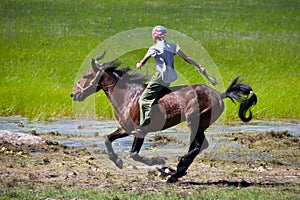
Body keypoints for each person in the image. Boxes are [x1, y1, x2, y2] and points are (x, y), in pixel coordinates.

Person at [132, 25, 209, 138]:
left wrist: (138, 64)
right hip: (169, 78)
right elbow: (186, 58)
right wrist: (199, 67)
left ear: (154, 35)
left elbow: (143, 62)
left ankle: (143, 126)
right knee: (158, 96)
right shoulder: (172, 47)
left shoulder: (154, 48)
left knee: (144, 99)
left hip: (160, 77)